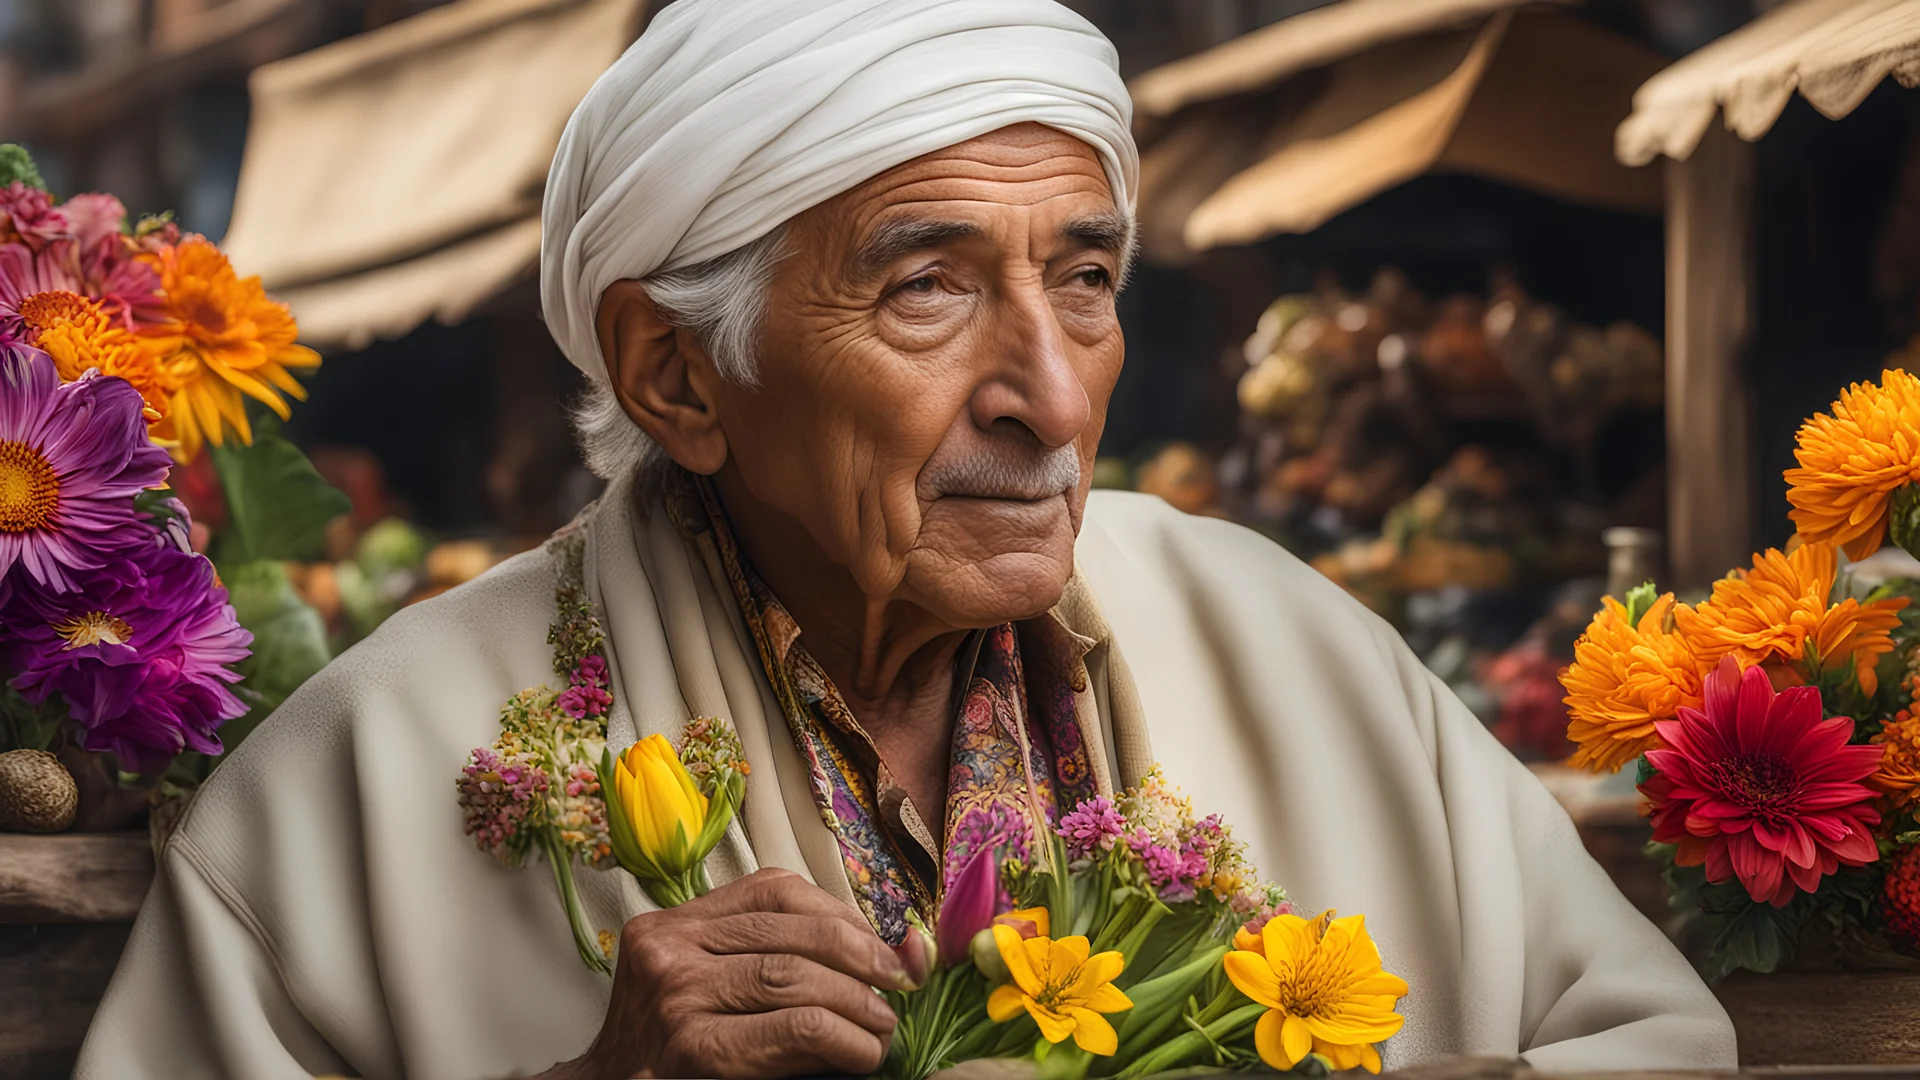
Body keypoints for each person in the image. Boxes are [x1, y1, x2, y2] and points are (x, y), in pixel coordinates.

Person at [77, 1, 1736, 1077]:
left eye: (1084, 283)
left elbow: (1656, 1043)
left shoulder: (1285, 641)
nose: (1050, 399)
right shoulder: (353, 787)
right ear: (677, 374)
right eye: (928, 285)